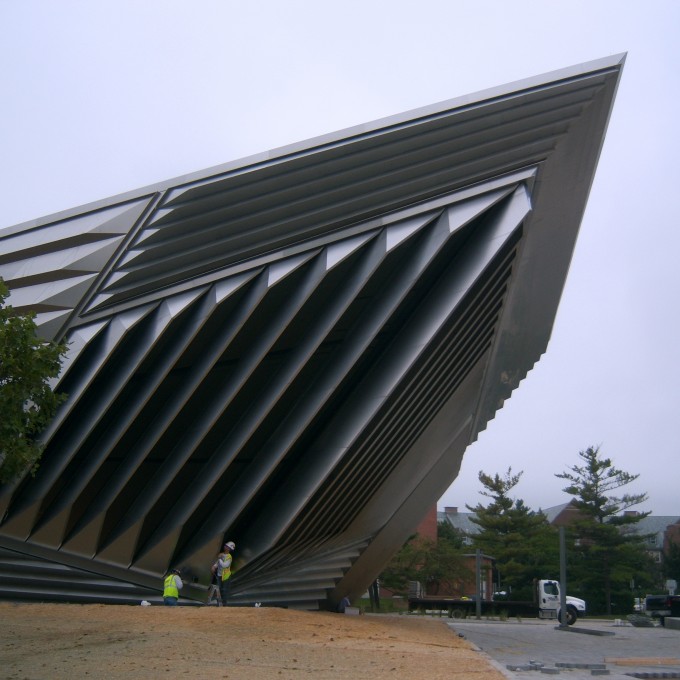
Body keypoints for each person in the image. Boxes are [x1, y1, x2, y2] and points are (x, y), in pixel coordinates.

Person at [218, 541, 235, 606]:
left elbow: (224, 565)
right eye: (225, 546)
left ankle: (224, 605)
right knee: (219, 590)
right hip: (219, 575)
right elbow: (218, 563)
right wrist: (214, 566)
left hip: (226, 576)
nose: (225, 547)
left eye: (227, 546)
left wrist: (219, 558)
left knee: (224, 590)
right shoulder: (222, 554)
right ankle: (219, 604)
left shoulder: (229, 557)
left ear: (229, 549)